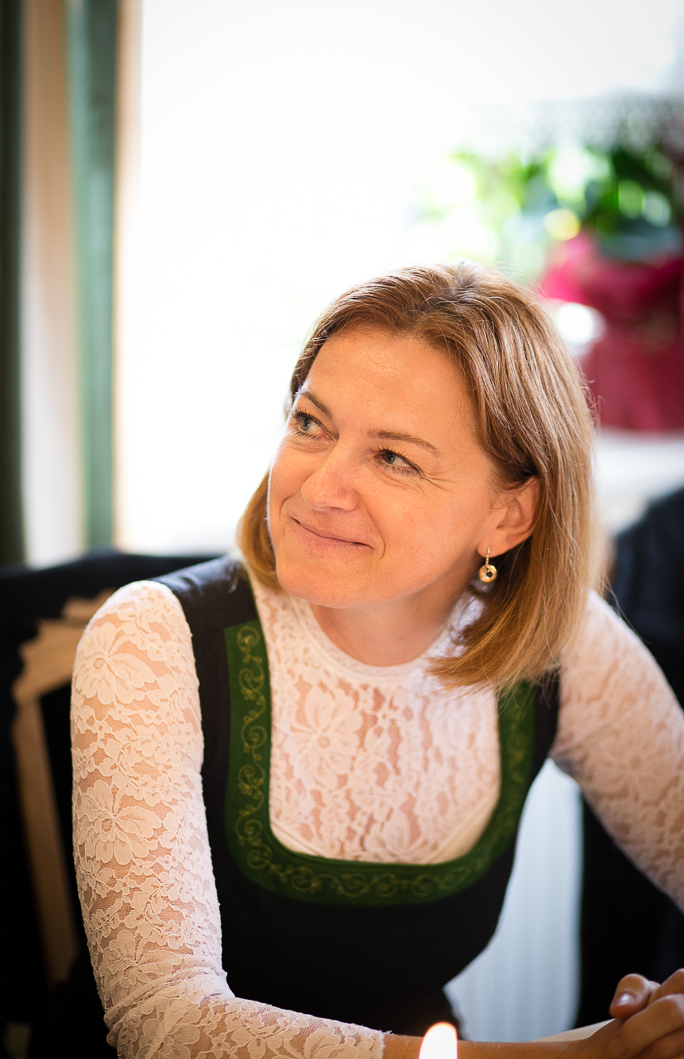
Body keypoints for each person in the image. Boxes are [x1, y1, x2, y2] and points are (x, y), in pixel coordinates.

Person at [71, 262, 684, 1059]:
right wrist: (561, 1057)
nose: (320, 487)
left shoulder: (564, 643)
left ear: (509, 516)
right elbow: (165, 1025)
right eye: (311, 423)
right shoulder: (152, 638)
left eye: (393, 457)